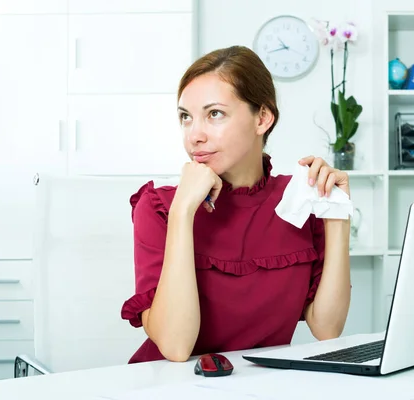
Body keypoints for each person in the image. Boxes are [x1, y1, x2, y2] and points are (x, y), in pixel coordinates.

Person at [120, 45, 352, 363]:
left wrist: (337, 211)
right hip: (167, 387)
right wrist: (183, 211)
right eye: (186, 118)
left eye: (214, 114)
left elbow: (327, 327)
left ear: (263, 118)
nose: (194, 136)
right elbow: (175, 347)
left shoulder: (298, 200)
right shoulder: (161, 207)